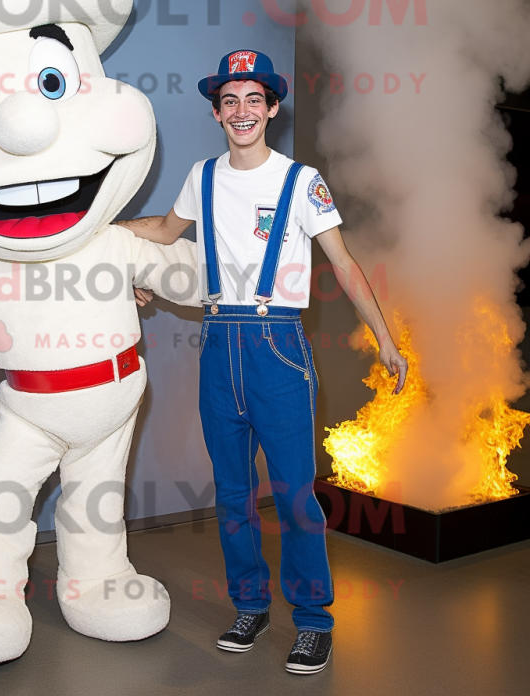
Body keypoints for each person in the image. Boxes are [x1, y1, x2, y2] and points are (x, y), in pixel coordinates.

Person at [118, 49, 408, 675]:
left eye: (254, 99)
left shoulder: (301, 182)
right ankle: (248, 606)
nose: (242, 111)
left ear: (273, 108)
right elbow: (166, 233)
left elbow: (346, 263)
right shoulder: (202, 176)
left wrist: (384, 336)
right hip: (220, 344)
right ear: (217, 112)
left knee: (297, 496)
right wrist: (109, 243)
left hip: (279, 347)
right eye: (230, 101)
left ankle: (312, 622)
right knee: (231, 496)